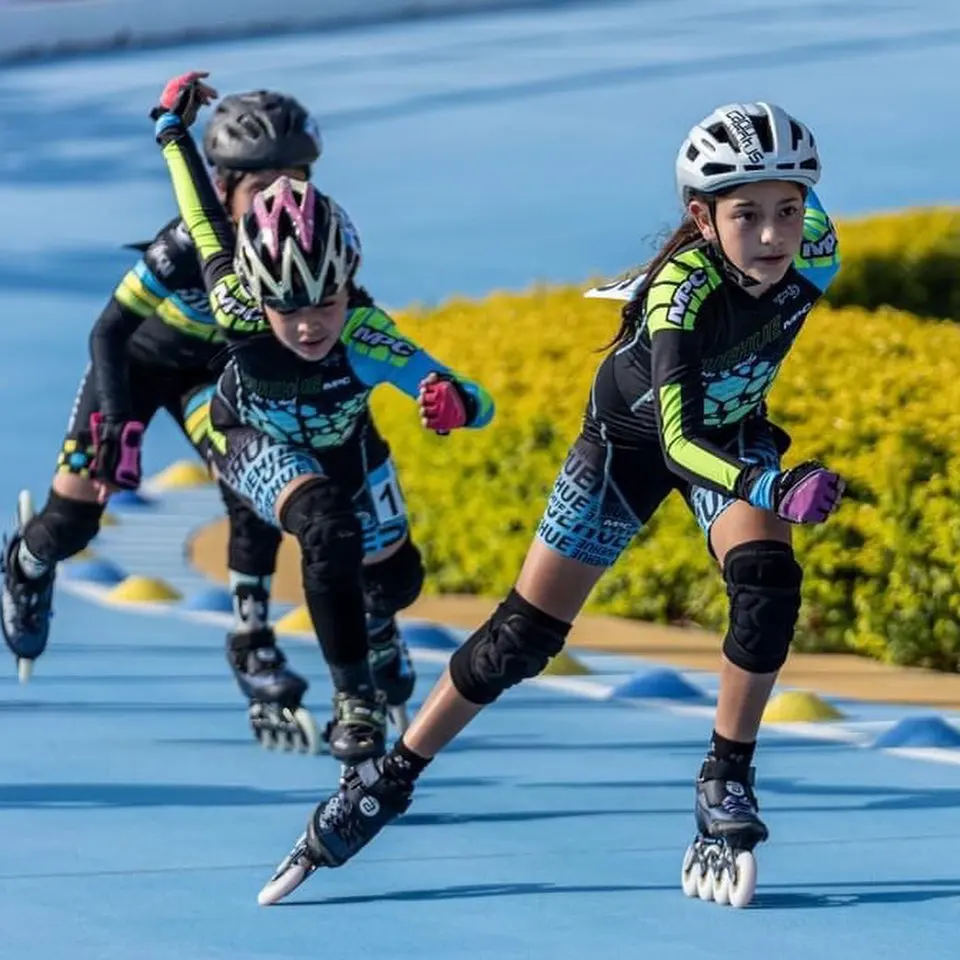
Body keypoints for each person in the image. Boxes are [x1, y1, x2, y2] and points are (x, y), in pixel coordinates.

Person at [256, 101, 845, 910]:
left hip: (732, 436)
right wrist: (771, 486)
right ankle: (386, 784)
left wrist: (757, 481)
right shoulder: (682, 295)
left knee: (768, 584)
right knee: (521, 640)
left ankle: (726, 780)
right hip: (630, 449)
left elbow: (725, 420)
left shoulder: (818, 247)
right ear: (701, 217)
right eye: (749, 216)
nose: (776, 236)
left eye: (788, 209)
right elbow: (676, 443)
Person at [149, 72, 495, 768]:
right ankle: (354, 701)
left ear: (348, 284)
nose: (310, 327)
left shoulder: (367, 335)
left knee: (396, 581)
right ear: (255, 298)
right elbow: (200, 214)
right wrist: (170, 129)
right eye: (288, 309)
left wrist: (455, 403)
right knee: (325, 529)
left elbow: (469, 394)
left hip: (348, 445)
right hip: (253, 438)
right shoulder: (235, 305)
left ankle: (376, 626)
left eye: (326, 305)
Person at [1, 88, 357, 752]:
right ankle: (27, 559)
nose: (282, 197)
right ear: (221, 186)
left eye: (297, 180)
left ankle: (251, 637)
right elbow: (109, 333)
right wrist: (113, 428)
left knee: (257, 487)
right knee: (75, 519)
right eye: (264, 185)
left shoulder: (300, 242)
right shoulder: (184, 244)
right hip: (135, 366)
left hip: (208, 380)